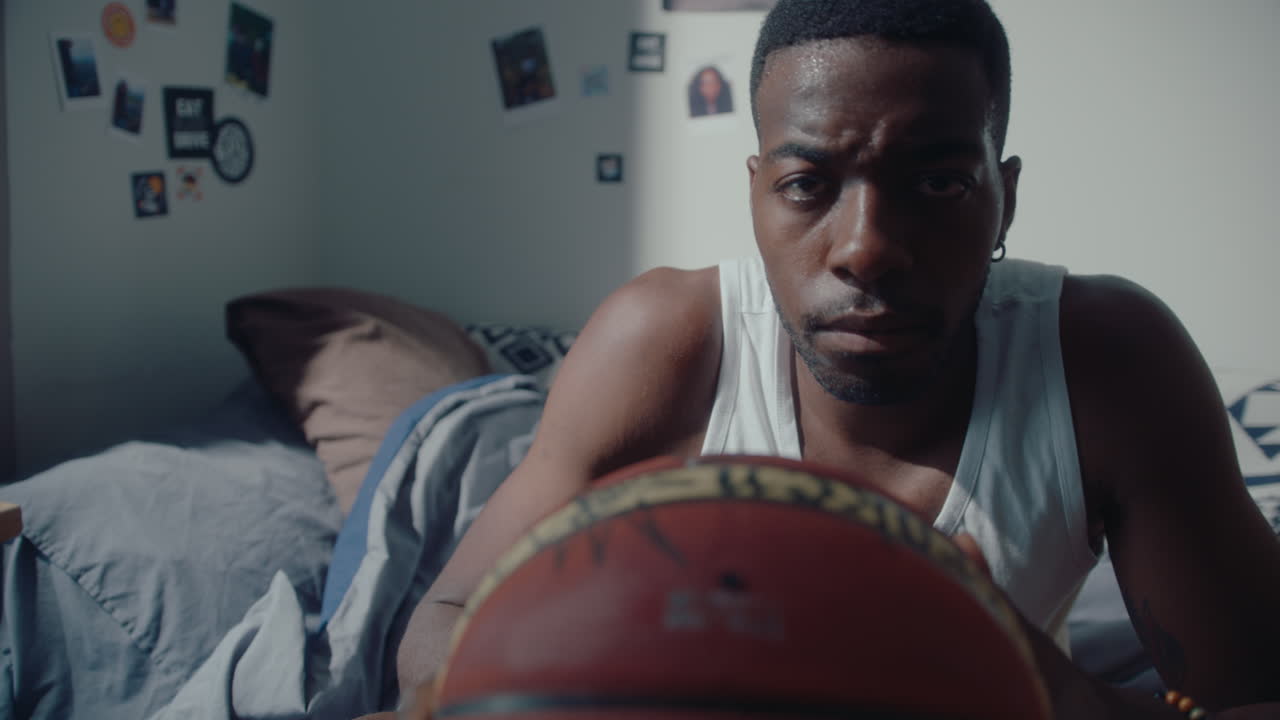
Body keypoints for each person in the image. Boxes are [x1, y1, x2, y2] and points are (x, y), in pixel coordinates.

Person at [392, 1, 1280, 717]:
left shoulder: (1110, 359)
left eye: (937, 183)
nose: (866, 248)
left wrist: (1046, 693)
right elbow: (442, 622)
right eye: (808, 186)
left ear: (1003, 200)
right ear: (755, 197)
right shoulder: (661, 342)